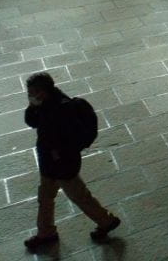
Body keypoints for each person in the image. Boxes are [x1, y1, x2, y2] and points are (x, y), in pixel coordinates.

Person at [23, 72, 120, 250]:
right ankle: (46, 232)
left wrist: (58, 153)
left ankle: (106, 221)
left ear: (44, 91)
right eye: (29, 92)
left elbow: (71, 138)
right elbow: (32, 122)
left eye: (33, 92)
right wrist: (32, 107)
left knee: (79, 196)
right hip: (49, 163)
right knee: (45, 197)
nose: (30, 95)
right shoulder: (44, 104)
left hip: (62, 164)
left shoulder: (62, 109)